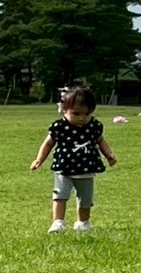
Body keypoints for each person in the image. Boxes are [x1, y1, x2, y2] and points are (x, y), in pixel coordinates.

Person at [30, 86, 117, 234]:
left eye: (86, 114)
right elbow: (48, 143)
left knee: (85, 199)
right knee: (60, 195)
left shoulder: (93, 126)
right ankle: (58, 222)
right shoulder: (60, 127)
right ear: (64, 110)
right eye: (76, 113)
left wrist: (109, 155)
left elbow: (101, 141)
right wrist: (39, 159)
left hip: (86, 168)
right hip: (64, 168)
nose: (82, 118)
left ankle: (83, 222)